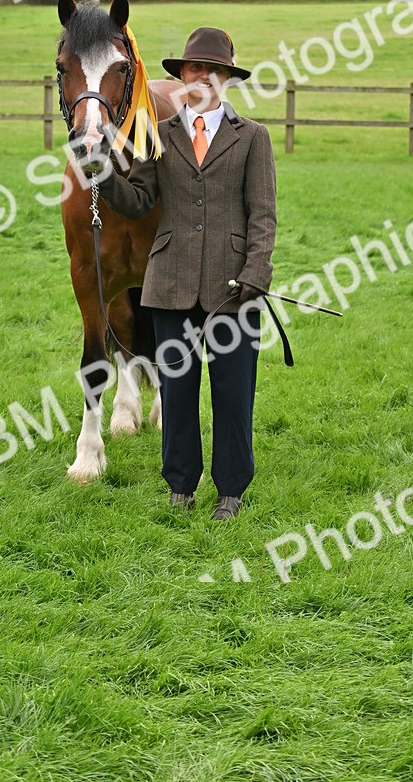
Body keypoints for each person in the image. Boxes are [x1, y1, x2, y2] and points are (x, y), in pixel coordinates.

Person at [81, 27, 276, 520]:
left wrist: (257, 272)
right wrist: (102, 170)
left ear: (227, 78)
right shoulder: (158, 136)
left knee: (233, 394)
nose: (202, 77)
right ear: (181, 75)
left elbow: (263, 214)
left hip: (233, 287)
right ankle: (180, 487)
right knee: (178, 392)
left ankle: (230, 490)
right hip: (168, 283)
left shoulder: (253, 137)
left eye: (213, 70)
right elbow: (141, 199)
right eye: (194, 68)